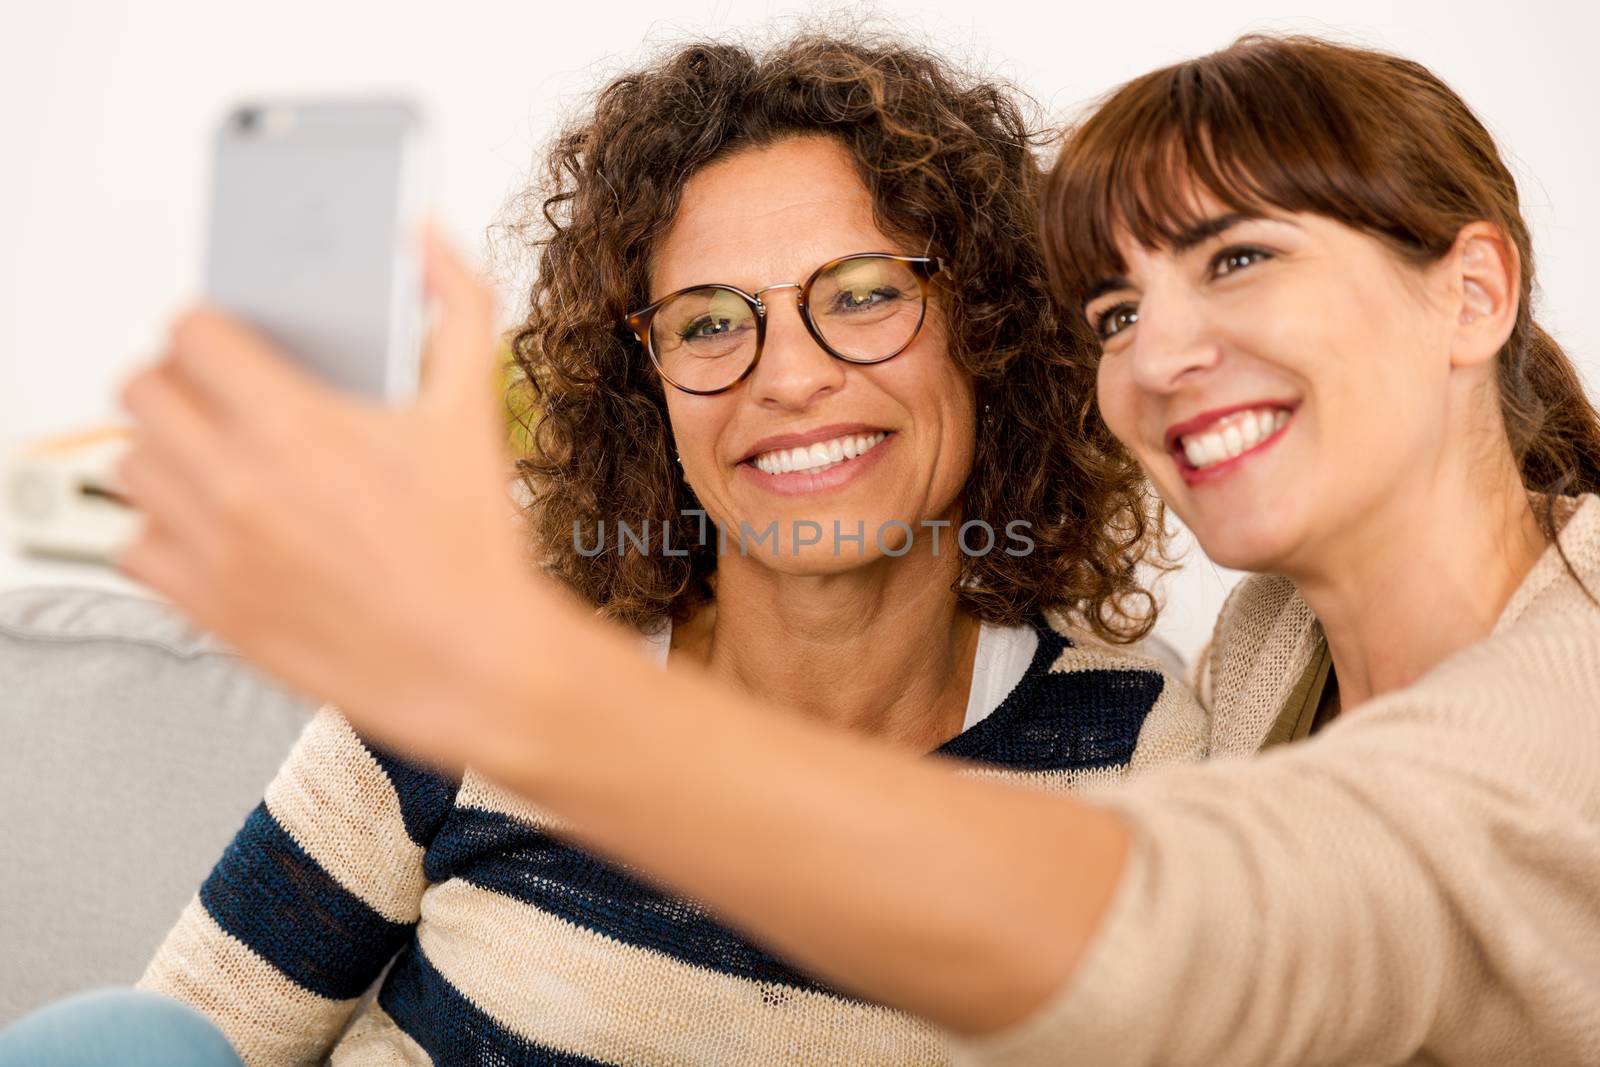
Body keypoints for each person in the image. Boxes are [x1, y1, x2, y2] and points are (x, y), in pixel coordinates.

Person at [89, 31, 1600, 1067]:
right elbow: (179, 1038)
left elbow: (1189, 934)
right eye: (707, 324)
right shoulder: (1285, 634)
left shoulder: (1160, 733)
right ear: (646, 385)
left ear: (983, 341)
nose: (788, 372)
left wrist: (514, 678)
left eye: (865, 292)